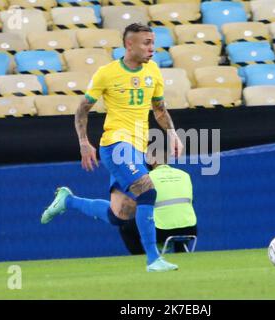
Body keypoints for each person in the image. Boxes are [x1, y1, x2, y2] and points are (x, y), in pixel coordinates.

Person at [40, 23, 184, 272]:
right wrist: (84, 142)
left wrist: (172, 133)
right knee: (148, 192)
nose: (152, 47)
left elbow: (159, 109)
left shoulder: (153, 71)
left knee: (120, 215)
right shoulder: (107, 73)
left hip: (137, 148)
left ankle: (68, 201)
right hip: (116, 145)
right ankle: (153, 260)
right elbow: (82, 108)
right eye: (146, 43)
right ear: (129, 45)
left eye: (152, 42)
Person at [119, 149, 197, 255]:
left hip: (161, 231)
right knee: (177, 214)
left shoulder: (146, 179)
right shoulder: (185, 175)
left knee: (125, 226)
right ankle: (181, 253)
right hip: (190, 229)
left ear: (153, 161)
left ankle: (143, 258)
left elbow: (140, 205)